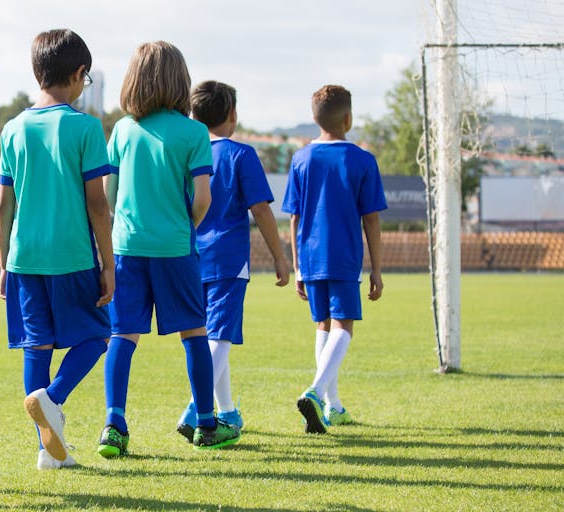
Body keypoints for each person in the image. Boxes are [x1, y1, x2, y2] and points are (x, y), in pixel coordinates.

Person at [99, 41, 241, 458]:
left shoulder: (123, 130)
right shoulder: (194, 132)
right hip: (175, 248)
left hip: (127, 247)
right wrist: (185, 226)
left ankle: (114, 424)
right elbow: (203, 199)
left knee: (122, 336)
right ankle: (205, 423)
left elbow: (109, 195)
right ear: (181, 81)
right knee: (194, 333)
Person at [0, 29, 114, 470]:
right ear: (80, 74)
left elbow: (5, 203)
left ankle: (49, 452)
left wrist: (4, 261)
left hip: (25, 257)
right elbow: (97, 203)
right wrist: (109, 260)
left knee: (37, 346)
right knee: (97, 335)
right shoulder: (85, 127)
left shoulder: (12, 129)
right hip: (72, 255)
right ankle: (53, 399)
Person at [175, 81, 290, 442]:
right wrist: (280, 256)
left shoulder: (185, 154)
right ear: (233, 115)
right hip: (227, 259)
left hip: (190, 257)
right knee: (221, 337)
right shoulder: (242, 155)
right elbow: (261, 210)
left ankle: (225, 413)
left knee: (209, 336)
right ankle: (195, 408)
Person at [282, 84, 386, 434]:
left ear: (314, 118)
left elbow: (293, 217)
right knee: (344, 325)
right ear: (349, 117)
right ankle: (315, 390)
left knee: (322, 325)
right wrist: (377, 269)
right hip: (343, 256)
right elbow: (371, 218)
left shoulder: (301, 158)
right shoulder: (362, 159)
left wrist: (297, 266)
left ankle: (333, 405)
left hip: (310, 257)